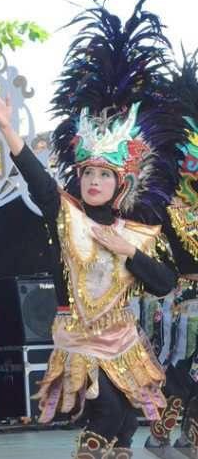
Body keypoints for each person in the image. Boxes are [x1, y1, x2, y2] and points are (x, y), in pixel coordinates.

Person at [0, 0, 180, 457]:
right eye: (88, 174)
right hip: (81, 338)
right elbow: (39, 182)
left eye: (103, 176)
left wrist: (126, 251)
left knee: (127, 423)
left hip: (123, 338)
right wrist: (10, 132)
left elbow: (166, 283)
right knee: (105, 410)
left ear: (120, 182)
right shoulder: (65, 213)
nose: (93, 182)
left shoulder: (136, 231)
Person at [144, 52, 198, 458]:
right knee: (180, 368)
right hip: (181, 304)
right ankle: (162, 433)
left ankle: (188, 436)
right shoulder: (167, 207)